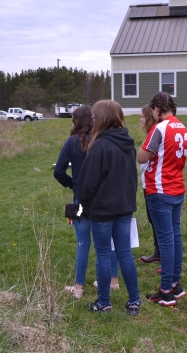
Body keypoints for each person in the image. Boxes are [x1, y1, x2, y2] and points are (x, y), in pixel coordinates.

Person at [78, 100, 140, 315]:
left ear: (101, 119)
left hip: (102, 212)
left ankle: (104, 303)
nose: (92, 121)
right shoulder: (128, 143)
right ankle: (134, 301)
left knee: (104, 255)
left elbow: (87, 185)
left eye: (94, 117)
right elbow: (133, 178)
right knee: (124, 254)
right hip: (124, 208)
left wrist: (83, 206)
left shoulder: (100, 146)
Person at [54, 106, 120, 299]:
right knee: (108, 242)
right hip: (104, 199)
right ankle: (112, 281)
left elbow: (58, 171)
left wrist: (73, 184)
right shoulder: (102, 140)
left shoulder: (72, 142)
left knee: (83, 243)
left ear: (77, 121)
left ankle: (78, 288)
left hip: (81, 199)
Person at [138, 92, 187, 307]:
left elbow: (141, 156)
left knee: (166, 241)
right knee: (175, 237)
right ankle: (175, 284)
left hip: (160, 189)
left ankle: (166, 289)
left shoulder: (159, 128)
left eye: (153, 111)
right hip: (177, 187)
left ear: (158, 109)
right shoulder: (182, 127)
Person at [138, 104, 161, 265]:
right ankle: (158, 252)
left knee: (158, 221)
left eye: (142, 117)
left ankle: (163, 254)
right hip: (148, 183)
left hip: (156, 186)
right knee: (152, 220)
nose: (140, 120)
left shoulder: (156, 136)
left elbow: (141, 157)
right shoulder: (150, 135)